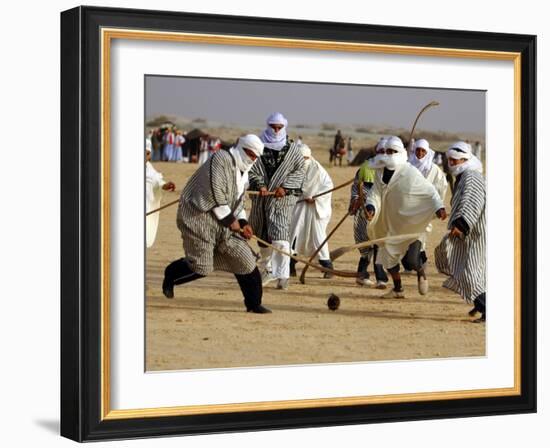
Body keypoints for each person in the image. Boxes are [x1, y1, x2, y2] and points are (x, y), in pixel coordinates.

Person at [162, 134, 271, 314]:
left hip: (225, 224)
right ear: (243, 148)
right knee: (201, 267)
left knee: (246, 260)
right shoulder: (221, 159)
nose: (253, 159)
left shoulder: (244, 173)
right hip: (199, 218)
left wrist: (243, 222)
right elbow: (215, 195)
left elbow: (239, 202)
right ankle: (171, 274)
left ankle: (253, 304)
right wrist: (233, 222)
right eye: (251, 154)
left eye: (255, 157)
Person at [366, 136, 447, 298]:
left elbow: (430, 191)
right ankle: (398, 289)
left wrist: (439, 207)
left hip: (411, 224)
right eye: (385, 151)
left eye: (392, 151)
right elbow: (374, 193)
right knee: (389, 261)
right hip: (389, 224)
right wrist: (371, 207)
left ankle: (421, 273)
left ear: (399, 152)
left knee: (410, 261)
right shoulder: (379, 172)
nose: (388, 155)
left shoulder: (409, 171)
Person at [249, 112, 305, 290]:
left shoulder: (292, 149)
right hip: (261, 199)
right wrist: (260, 186)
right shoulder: (258, 145)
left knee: (281, 238)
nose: (276, 130)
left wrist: (285, 187)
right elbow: (251, 168)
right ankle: (267, 270)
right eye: (273, 126)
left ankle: (283, 276)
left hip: (283, 200)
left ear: (284, 127)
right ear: (268, 126)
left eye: (279, 127)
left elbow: (299, 170)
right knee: (262, 237)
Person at [435, 141, 486, 322]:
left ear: (465, 159)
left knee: (469, 273)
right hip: (470, 232)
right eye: (450, 160)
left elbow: (471, 202)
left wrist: (462, 224)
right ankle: (481, 305)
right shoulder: (464, 176)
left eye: (455, 160)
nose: (452, 163)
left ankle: (488, 308)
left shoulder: (471, 176)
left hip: (476, 231)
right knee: (468, 271)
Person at [289, 144, 335, 278]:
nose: (303, 161)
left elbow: (328, 187)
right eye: (300, 158)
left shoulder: (319, 170)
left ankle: (328, 267)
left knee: (318, 238)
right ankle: (290, 267)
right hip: (299, 207)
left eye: (305, 158)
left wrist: (316, 198)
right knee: (294, 235)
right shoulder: (292, 168)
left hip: (316, 210)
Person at [349, 138, 388, 288]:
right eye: (381, 151)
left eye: (387, 152)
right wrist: (356, 200)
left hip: (384, 212)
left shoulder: (394, 169)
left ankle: (377, 277)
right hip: (365, 212)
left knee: (380, 244)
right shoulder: (366, 168)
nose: (384, 154)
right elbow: (357, 187)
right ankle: (367, 276)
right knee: (367, 244)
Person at [404, 138, 448, 272]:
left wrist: (436, 205)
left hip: (425, 209)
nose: (420, 153)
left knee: (420, 237)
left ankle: (421, 264)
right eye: (418, 150)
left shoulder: (434, 170)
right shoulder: (407, 165)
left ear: (427, 152)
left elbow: (442, 187)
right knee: (404, 237)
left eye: (423, 151)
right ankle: (408, 265)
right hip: (407, 208)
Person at [145, 139, 175, 247]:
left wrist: (165, 186)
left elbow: (158, 181)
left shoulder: (150, 170)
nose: (145, 156)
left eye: (147, 153)